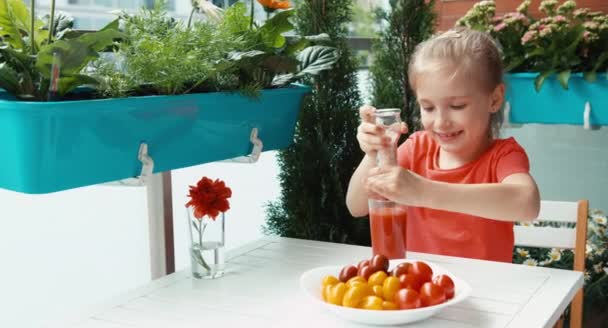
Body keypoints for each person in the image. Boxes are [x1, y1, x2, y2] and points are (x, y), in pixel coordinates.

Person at [346, 27, 540, 263]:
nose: (440, 122)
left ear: (495, 99)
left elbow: (527, 203)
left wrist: (422, 191)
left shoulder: (503, 155)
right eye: (427, 107)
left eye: (457, 106)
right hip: (422, 291)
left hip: (490, 292)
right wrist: (373, 154)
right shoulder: (417, 148)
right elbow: (356, 206)